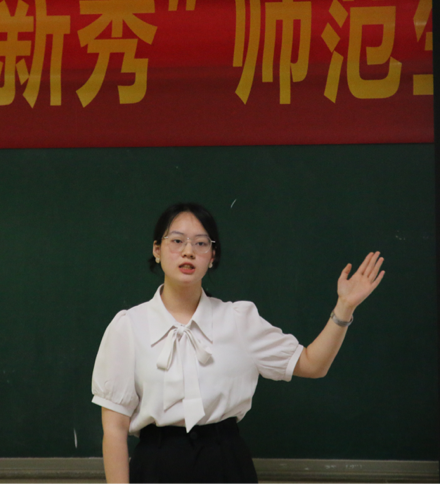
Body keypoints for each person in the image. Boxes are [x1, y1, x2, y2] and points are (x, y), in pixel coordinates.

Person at [91, 202, 384, 484]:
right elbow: (114, 429)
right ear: (157, 250)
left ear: (212, 256)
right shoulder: (128, 326)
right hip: (155, 465)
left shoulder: (239, 320)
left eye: (201, 243)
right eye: (177, 241)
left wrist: (344, 307)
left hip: (225, 463)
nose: (188, 251)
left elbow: (312, 364)